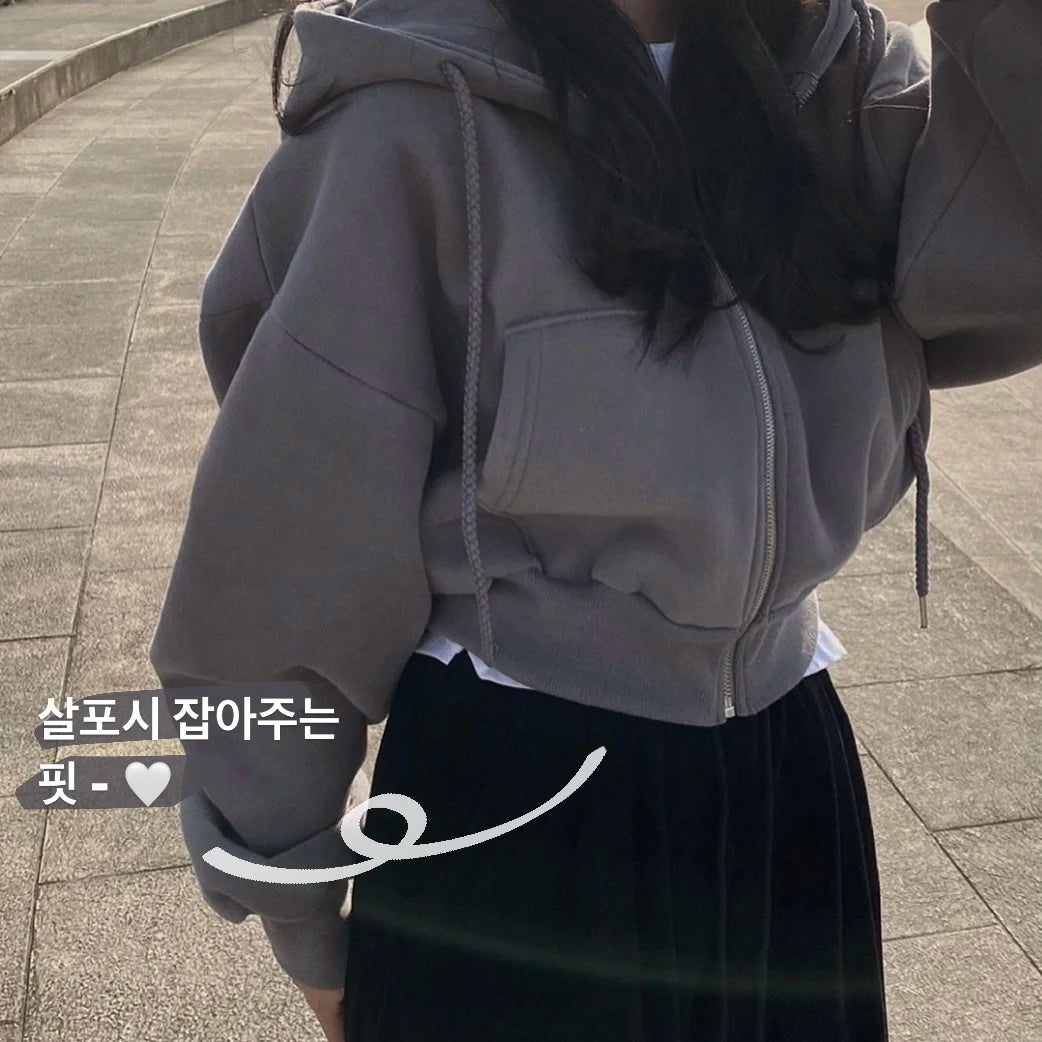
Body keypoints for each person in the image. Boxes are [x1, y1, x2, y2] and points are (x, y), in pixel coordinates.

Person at [149, 0, 1042, 1036]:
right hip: (517, 799)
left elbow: (1006, 258)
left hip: (787, 776)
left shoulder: (839, 77)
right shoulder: (410, 116)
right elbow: (287, 546)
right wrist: (295, 898)